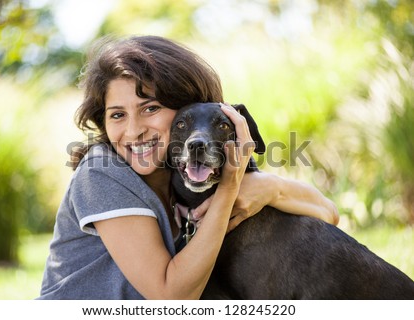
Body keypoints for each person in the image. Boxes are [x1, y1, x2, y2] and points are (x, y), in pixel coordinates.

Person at [39, 35, 338, 300]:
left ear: (189, 109)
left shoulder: (185, 171)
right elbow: (171, 297)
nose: (133, 131)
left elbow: (328, 213)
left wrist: (270, 187)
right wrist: (230, 189)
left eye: (150, 108)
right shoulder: (101, 173)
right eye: (117, 115)